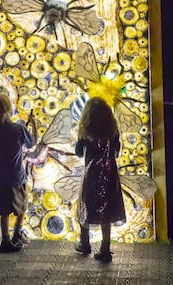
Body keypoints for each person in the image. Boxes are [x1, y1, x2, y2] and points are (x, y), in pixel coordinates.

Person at [74, 96, 126, 263]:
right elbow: (117, 152)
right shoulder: (112, 132)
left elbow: (79, 153)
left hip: (92, 174)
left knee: (86, 206)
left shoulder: (86, 132)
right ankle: (105, 248)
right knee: (107, 209)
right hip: (110, 174)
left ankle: (84, 242)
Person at [0, 93, 35, 253]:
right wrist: (33, 124)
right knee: (22, 205)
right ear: (8, 110)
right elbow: (32, 143)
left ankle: (5, 239)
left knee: (4, 211)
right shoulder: (19, 129)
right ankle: (17, 233)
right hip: (15, 176)